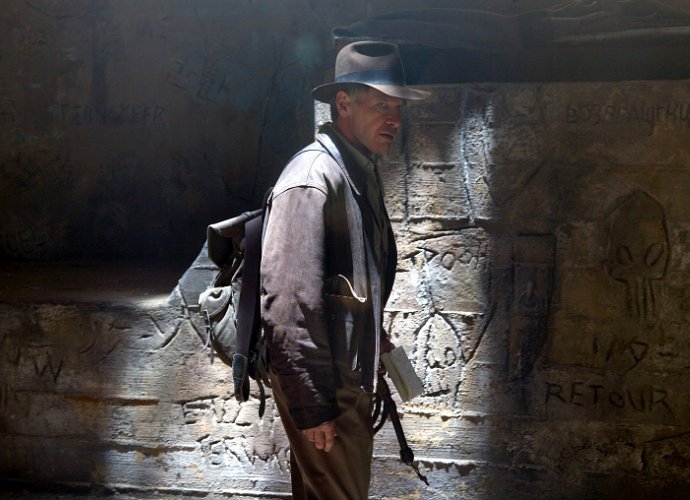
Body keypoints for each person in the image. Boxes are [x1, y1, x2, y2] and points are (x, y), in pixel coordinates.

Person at [260, 40, 429, 499]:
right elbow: (288, 304)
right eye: (381, 105)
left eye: (398, 107)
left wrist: (375, 342)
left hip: (345, 381)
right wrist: (312, 405)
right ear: (343, 104)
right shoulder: (314, 178)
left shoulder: (357, 170)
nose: (394, 119)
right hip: (326, 389)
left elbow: (346, 285)